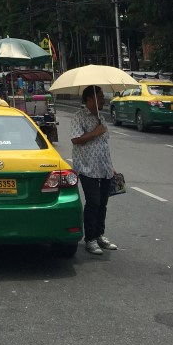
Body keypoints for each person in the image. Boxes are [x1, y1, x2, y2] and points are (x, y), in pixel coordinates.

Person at [70, 85, 119, 256]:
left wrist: (110, 166)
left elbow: (104, 145)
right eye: (99, 97)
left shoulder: (102, 118)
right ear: (89, 99)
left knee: (103, 203)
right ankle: (90, 239)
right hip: (86, 167)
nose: (102, 100)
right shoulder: (79, 117)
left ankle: (99, 235)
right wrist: (95, 132)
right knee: (93, 202)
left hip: (104, 168)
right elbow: (76, 139)